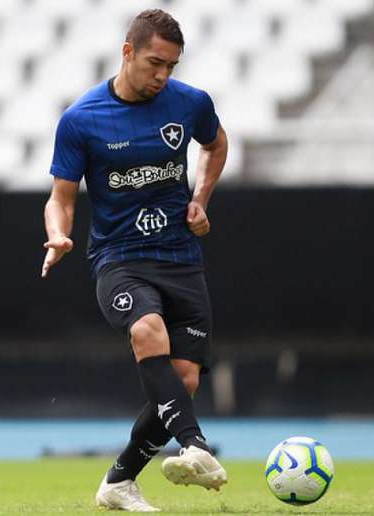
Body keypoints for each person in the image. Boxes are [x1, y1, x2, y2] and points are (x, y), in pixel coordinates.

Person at [41, 9, 228, 512]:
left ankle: (120, 480)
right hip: (119, 258)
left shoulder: (189, 104)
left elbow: (216, 144)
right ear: (128, 53)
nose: (163, 75)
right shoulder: (82, 119)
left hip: (181, 258)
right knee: (147, 329)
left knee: (184, 379)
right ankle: (196, 445)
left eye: (171, 65)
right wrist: (58, 234)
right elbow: (61, 196)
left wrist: (202, 198)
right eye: (154, 63)